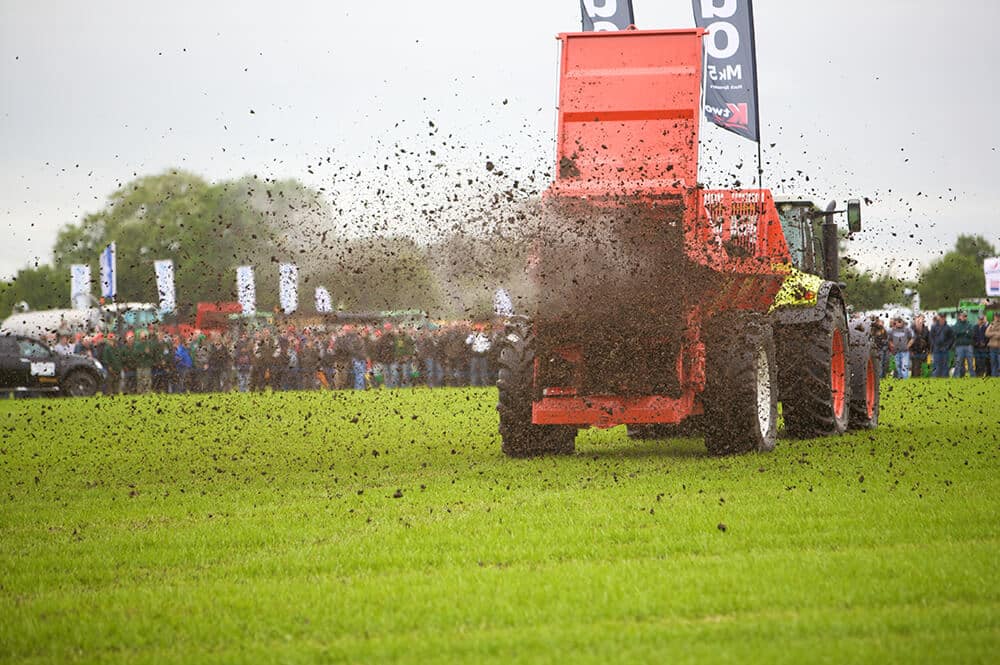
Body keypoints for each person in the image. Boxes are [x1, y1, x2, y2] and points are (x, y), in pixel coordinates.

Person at [929, 313, 955, 378]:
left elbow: (951, 338)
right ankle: (935, 377)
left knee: (945, 365)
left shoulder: (948, 328)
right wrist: (934, 345)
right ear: (939, 317)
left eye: (943, 317)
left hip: (945, 349)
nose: (942, 318)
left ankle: (945, 377)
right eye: (941, 317)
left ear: (945, 318)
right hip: (936, 348)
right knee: (936, 364)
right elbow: (931, 337)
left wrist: (948, 346)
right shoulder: (934, 327)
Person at [951, 310, 975, 378]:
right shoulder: (956, 324)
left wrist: (962, 332)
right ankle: (956, 376)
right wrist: (965, 331)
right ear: (960, 316)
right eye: (963, 316)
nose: (964, 317)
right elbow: (955, 332)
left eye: (966, 316)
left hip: (968, 346)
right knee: (958, 362)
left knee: (970, 362)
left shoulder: (969, 324)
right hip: (959, 346)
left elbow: (971, 334)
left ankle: (972, 376)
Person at [986, 313, 1000, 378]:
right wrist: (995, 333)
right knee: (993, 363)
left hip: (999, 347)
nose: (997, 318)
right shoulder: (991, 324)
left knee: (999, 363)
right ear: (994, 317)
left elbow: (998, 335)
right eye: (996, 316)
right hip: (992, 347)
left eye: (998, 316)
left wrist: (992, 333)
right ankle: (994, 376)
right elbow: (986, 334)